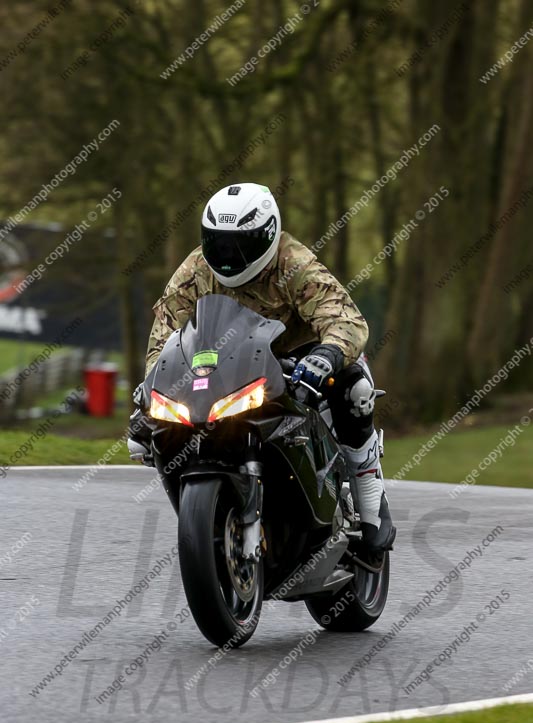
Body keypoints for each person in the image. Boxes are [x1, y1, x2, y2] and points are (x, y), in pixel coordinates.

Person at [130, 182, 395, 565]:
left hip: (299, 361)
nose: (226, 256)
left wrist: (327, 355)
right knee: (167, 425)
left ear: (268, 236)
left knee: (354, 390)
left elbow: (346, 320)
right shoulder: (195, 269)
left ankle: (369, 491)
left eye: (240, 245)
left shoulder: (294, 264)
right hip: (229, 367)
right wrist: (152, 391)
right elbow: (164, 338)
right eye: (217, 243)